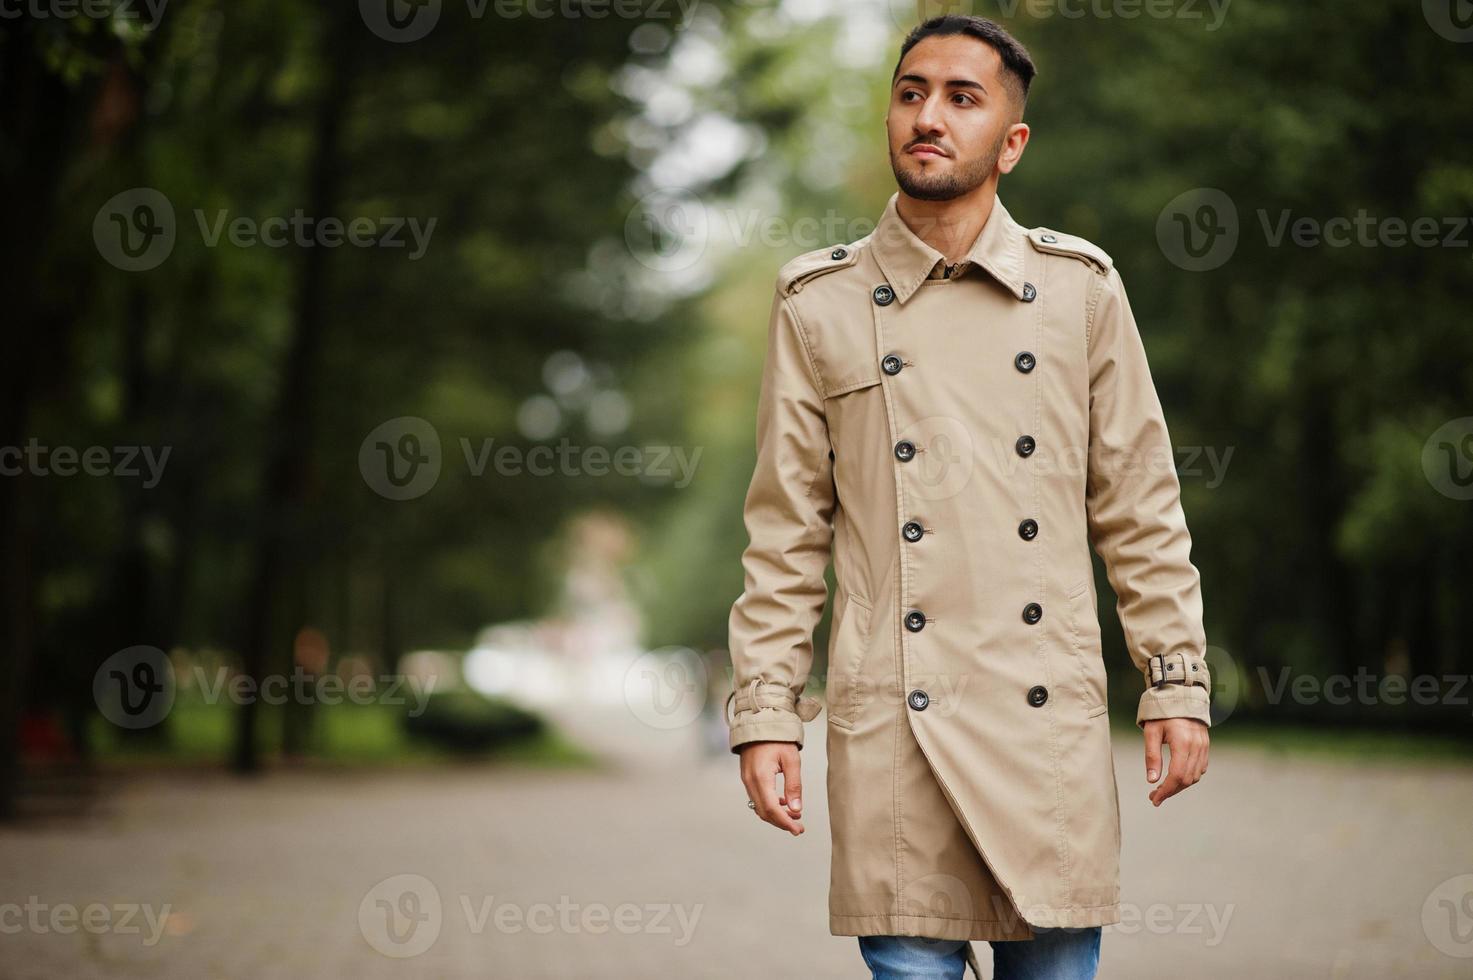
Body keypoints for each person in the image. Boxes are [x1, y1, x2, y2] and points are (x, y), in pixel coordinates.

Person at [726, 15, 1212, 980]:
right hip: (896, 730)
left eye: (961, 97)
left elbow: (1139, 505)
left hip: (1043, 727)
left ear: (1012, 141)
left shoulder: (1080, 290)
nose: (928, 117)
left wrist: (1175, 679)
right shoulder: (815, 302)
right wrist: (766, 712)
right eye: (910, 94)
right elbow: (787, 532)